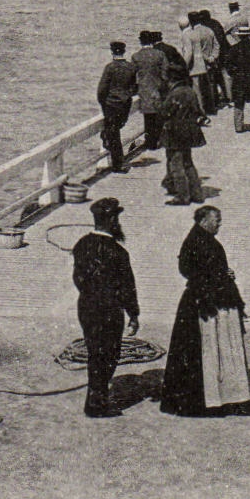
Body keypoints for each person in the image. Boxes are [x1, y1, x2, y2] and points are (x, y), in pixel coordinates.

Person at [161, 206, 250, 416]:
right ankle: (211, 399)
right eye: (216, 220)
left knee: (214, 349)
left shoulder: (199, 238)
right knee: (209, 350)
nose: (219, 224)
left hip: (209, 299)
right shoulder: (197, 240)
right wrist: (220, 276)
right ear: (203, 220)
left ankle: (219, 396)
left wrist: (221, 274)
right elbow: (189, 270)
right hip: (206, 303)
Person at [71, 197, 140, 418]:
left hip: (86, 307)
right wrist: (134, 314)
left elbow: (78, 279)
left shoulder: (81, 244)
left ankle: (96, 397)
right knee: (109, 354)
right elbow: (128, 287)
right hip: (109, 310)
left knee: (94, 351)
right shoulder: (118, 252)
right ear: (112, 220)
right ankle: (96, 403)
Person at [161, 68, 207, 205]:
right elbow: (198, 110)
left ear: (171, 80)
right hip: (189, 131)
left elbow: (164, 112)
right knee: (188, 163)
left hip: (175, 132)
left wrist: (156, 103)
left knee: (176, 164)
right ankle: (197, 193)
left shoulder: (174, 93)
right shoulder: (190, 91)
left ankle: (182, 196)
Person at [96, 41, 138, 173]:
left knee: (113, 134)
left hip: (111, 105)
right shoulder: (131, 67)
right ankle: (117, 159)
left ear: (112, 52)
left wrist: (104, 104)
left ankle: (118, 164)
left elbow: (101, 91)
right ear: (124, 51)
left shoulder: (110, 68)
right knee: (115, 131)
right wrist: (127, 95)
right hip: (125, 105)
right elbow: (135, 87)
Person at [130, 30, 169, 150]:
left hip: (144, 91)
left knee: (148, 118)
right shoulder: (160, 54)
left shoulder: (136, 56)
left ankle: (151, 143)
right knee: (158, 116)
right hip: (157, 90)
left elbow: (132, 76)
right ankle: (157, 140)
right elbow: (166, 73)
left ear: (140, 41)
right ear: (152, 41)